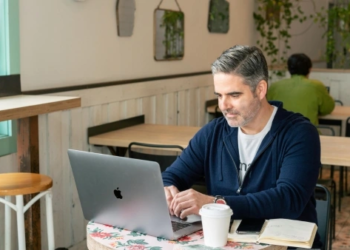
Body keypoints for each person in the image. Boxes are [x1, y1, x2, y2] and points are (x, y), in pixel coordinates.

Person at [162, 45, 321, 248]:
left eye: (234, 95)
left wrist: (215, 204)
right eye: (219, 95)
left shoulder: (299, 134)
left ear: (260, 89)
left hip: (286, 246)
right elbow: (171, 176)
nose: (224, 105)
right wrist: (167, 190)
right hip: (228, 242)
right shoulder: (213, 132)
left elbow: (288, 199)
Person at [267, 53, 335, 126]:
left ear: (289, 69)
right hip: (307, 133)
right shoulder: (317, 86)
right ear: (310, 69)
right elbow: (328, 108)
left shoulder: (275, 86)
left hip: (279, 134)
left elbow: (267, 108)